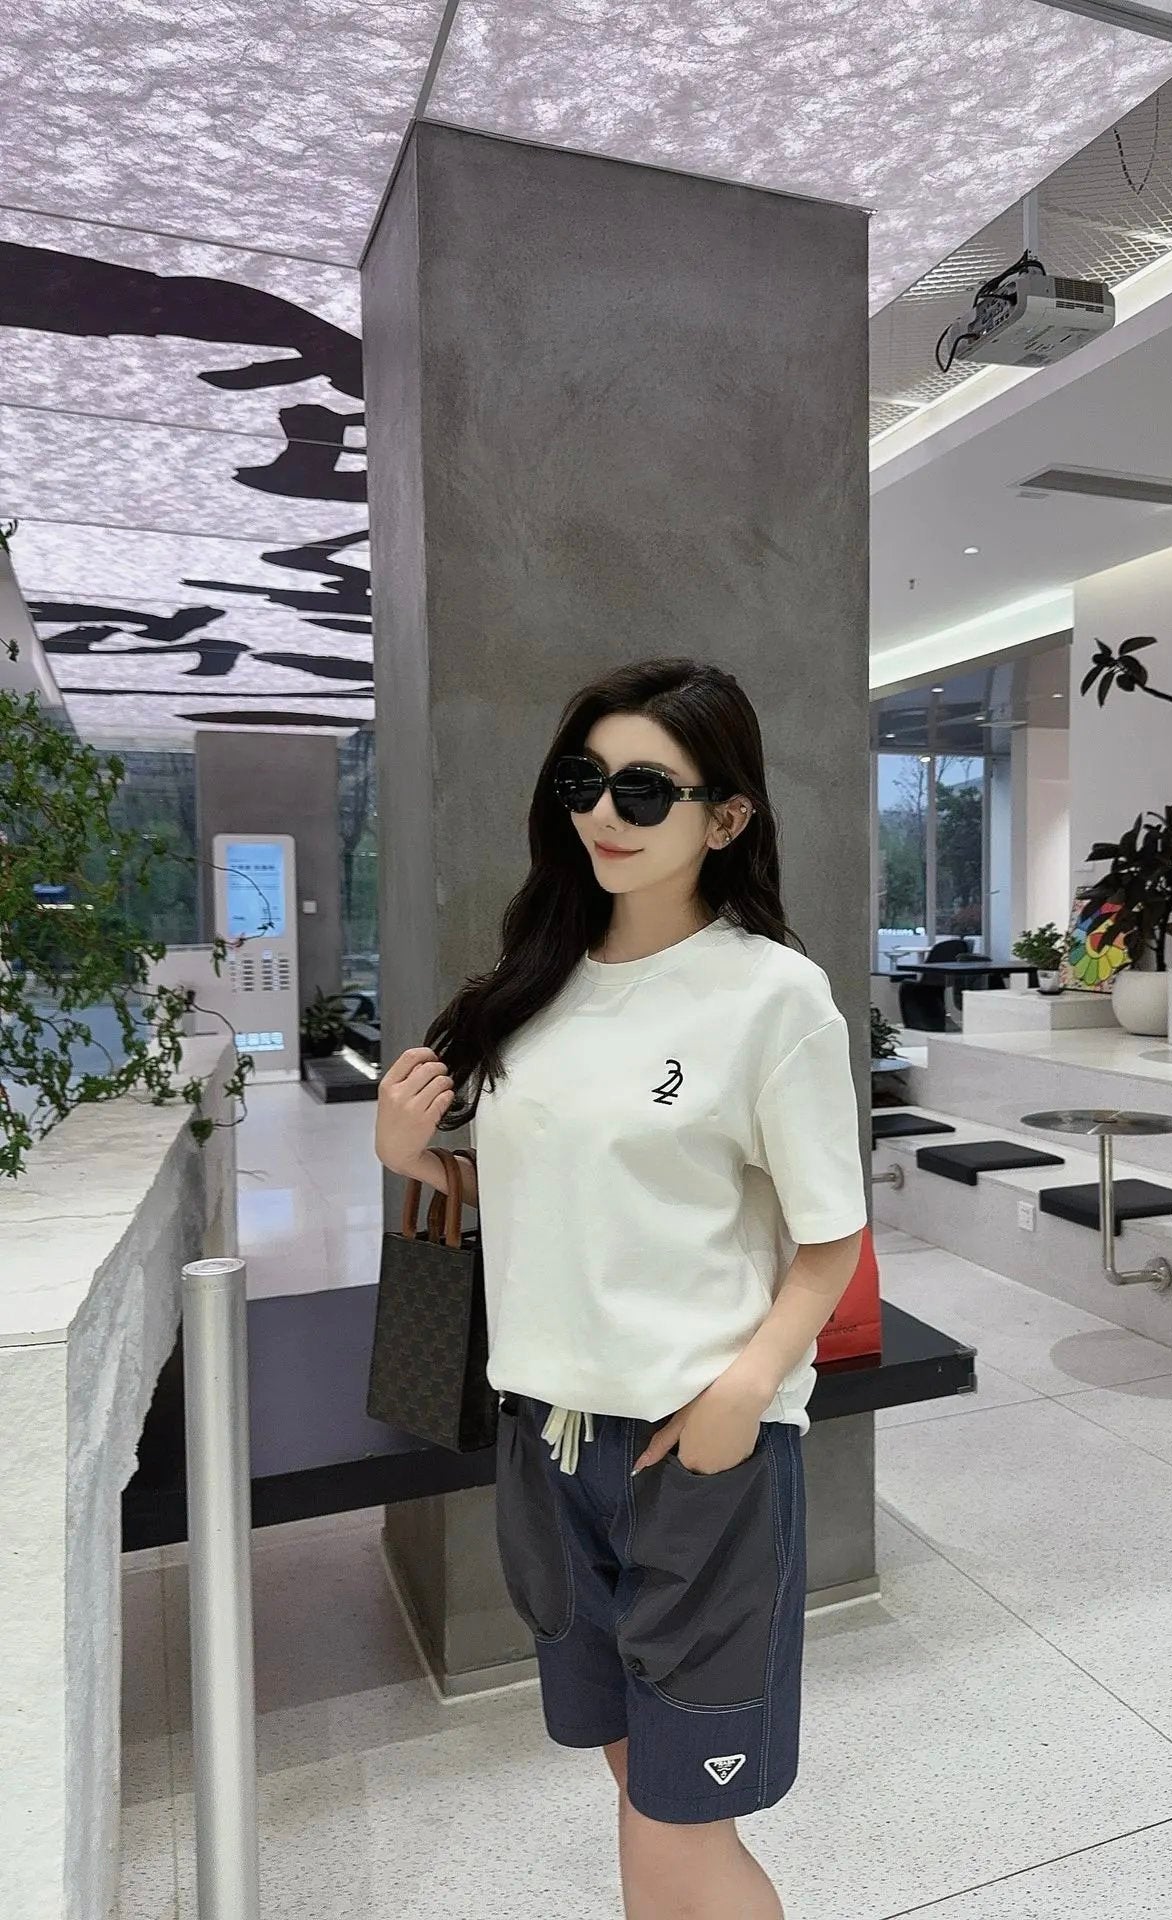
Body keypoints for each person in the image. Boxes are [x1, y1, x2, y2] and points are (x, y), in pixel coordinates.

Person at [375, 657, 868, 1918]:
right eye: (583, 781)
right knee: (636, 1775)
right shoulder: (535, 983)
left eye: (645, 790)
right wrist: (420, 1160)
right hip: (545, 1440)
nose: (604, 812)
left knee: (675, 1822)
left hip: (695, 1449)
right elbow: (555, 1196)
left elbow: (831, 1237)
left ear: (727, 816)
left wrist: (741, 1395)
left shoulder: (771, 997)